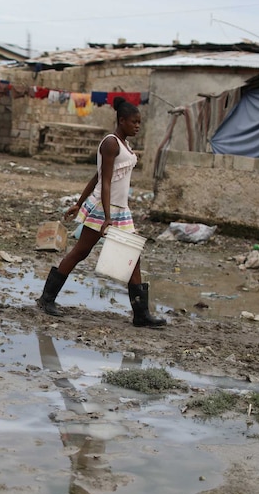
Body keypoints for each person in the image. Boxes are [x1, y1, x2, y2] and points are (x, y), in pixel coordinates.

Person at [36, 97, 166, 328]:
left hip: (120, 209)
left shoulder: (124, 144)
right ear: (122, 120)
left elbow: (97, 176)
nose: (138, 126)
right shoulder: (111, 143)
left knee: (133, 256)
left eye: (140, 122)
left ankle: (141, 314)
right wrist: (105, 215)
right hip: (104, 208)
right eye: (134, 122)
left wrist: (79, 202)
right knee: (80, 252)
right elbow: (104, 182)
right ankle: (46, 299)